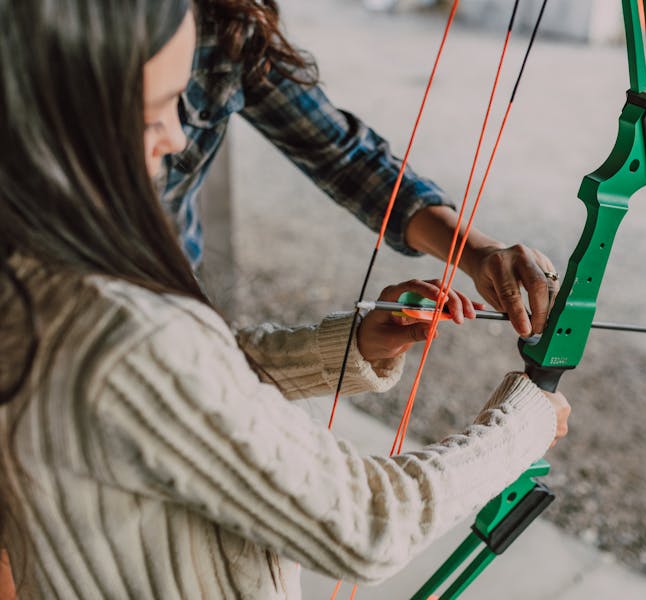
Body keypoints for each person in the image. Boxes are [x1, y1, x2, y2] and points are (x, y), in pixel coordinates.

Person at [0, 1, 570, 598]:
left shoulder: (47, 284)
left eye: (177, 102)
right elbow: (369, 526)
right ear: (52, 128)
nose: (175, 138)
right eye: (149, 117)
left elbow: (180, 378)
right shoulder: (128, 329)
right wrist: (524, 421)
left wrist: (353, 344)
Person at [167, 0, 560, 339]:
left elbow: (347, 158)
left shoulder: (224, 22)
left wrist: (479, 252)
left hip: (174, 305)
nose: (172, 137)